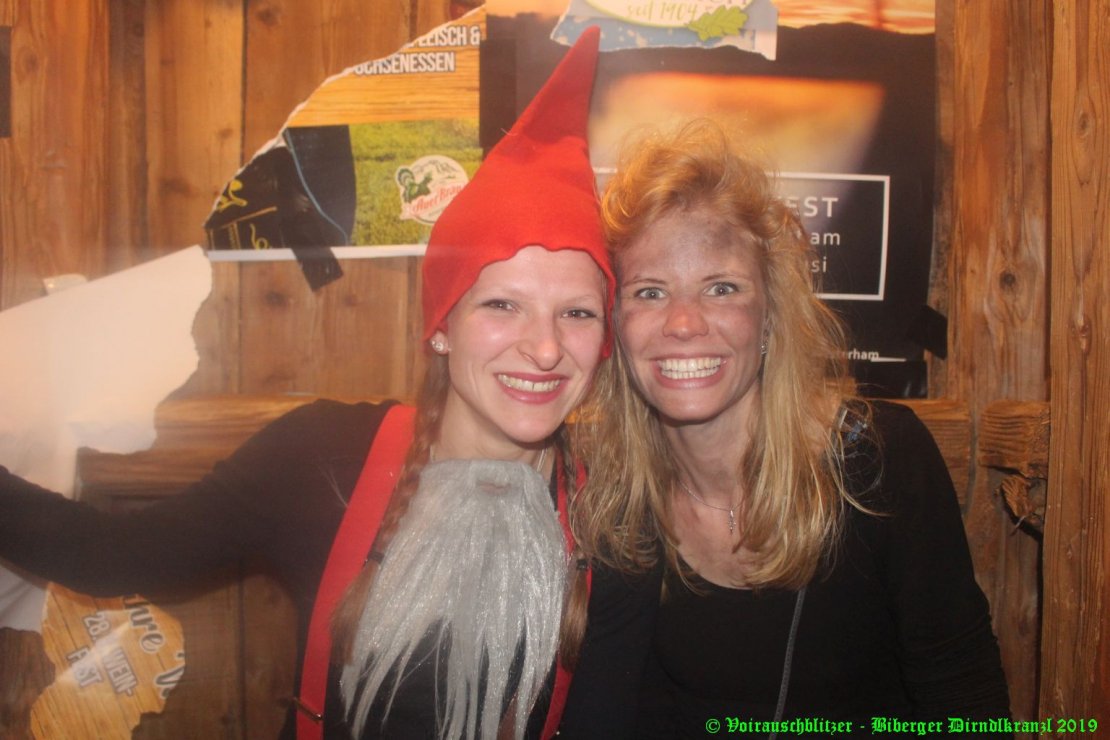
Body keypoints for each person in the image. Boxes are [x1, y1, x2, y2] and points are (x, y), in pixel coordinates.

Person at [0, 27, 650, 740]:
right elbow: (114, 554)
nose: (546, 347)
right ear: (441, 325)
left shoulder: (613, 522)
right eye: (502, 305)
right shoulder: (320, 457)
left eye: (577, 313)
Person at [571, 120, 1012, 735]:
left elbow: (965, 700)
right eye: (649, 292)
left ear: (770, 315)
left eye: (721, 287)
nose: (684, 322)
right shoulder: (615, 496)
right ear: (614, 325)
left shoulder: (879, 461)